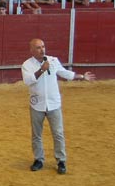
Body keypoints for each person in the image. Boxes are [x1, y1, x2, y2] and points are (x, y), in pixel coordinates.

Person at [22, 38, 95, 175]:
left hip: (54, 103)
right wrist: (41, 70)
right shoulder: (27, 64)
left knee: (58, 133)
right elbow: (28, 81)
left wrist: (81, 77)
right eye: (38, 47)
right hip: (37, 104)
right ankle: (38, 159)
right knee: (36, 134)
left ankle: (61, 160)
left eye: (43, 46)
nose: (42, 49)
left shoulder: (53, 61)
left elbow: (65, 73)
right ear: (31, 50)